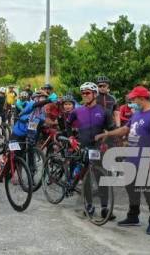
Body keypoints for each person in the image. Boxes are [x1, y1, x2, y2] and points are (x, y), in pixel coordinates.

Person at [96, 86, 150, 235]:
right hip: (131, 159)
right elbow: (125, 130)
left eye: (134, 98)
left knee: (149, 191)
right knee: (131, 188)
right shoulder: (137, 114)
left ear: (142, 98)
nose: (132, 101)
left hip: (146, 159)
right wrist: (107, 134)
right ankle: (133, 217)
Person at [67, 82, 115, 220]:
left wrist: (108, 142)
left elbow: (111, 130)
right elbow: (68, 123)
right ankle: (89, 205)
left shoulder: (104, 111)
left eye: (87, 93)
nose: (85, 95)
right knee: (86, 179)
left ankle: (105, 208)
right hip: (83, 148)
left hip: (99, 149)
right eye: (83, 93)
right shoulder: (77, 111)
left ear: (94, 94)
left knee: (102, 179)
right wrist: (71, 137)